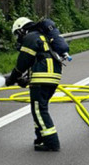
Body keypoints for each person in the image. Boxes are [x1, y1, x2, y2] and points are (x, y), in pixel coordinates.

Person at [5, 17, 62, 151]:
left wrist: (12, 78)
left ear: (22, 29)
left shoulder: (30, 37)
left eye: (17, 34)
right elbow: (37, 60)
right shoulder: (41, 36)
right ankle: (41, 138)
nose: (17, 38)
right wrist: (25, 79)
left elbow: (23, 62)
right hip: (51, 76)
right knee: (39, 109)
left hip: (43, 77)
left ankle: (52, 142)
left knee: (39, 110)